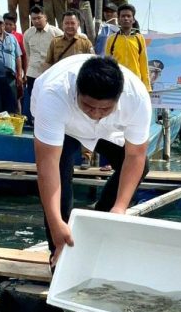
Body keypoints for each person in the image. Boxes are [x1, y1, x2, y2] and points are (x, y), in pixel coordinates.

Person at [32, 54, 152, 267]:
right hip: (66, 124)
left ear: (119, 98)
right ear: (76, 91)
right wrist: (54, 224)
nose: (95, 113)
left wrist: (120, 208)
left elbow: (135, 156)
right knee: (61, 173)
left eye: (104, 108)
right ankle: (59, 252)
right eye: (88, 106)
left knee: (141, 168)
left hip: (108, 130)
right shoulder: (54, 94)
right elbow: (46, 166)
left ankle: (100, 224)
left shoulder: (137, 97)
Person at [23, 5, 63, 124]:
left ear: (45, 17)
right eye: (33, 19)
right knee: (34, 99)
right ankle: (36, 122)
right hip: (33, 73)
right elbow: (28, 53)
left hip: (51, 73)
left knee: (51, 99)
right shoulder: (28, 34)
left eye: (39, 18)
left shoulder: (56, 32)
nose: (36, 21)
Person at [105, 3, 150, 90]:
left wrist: (147, 87)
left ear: (133, 20)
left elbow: (143, 63)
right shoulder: (111, 39)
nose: (126, 18)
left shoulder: (139, 38)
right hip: (117, 83)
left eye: (129, 16)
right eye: (123, 16)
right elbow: (107, 64)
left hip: (135, 83)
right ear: (118, 19)